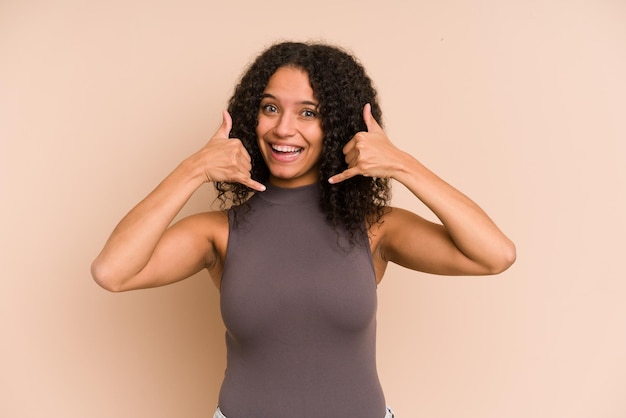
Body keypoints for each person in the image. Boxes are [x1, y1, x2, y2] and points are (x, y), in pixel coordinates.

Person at [91, 41, 516, 418]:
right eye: (270, 107)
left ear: (338, 126)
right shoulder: (219, 232)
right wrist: (194, 169)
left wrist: (401, 164)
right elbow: (113, 271)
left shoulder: (375, 228)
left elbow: (494, 254)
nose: (282, 128)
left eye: (308, 113)